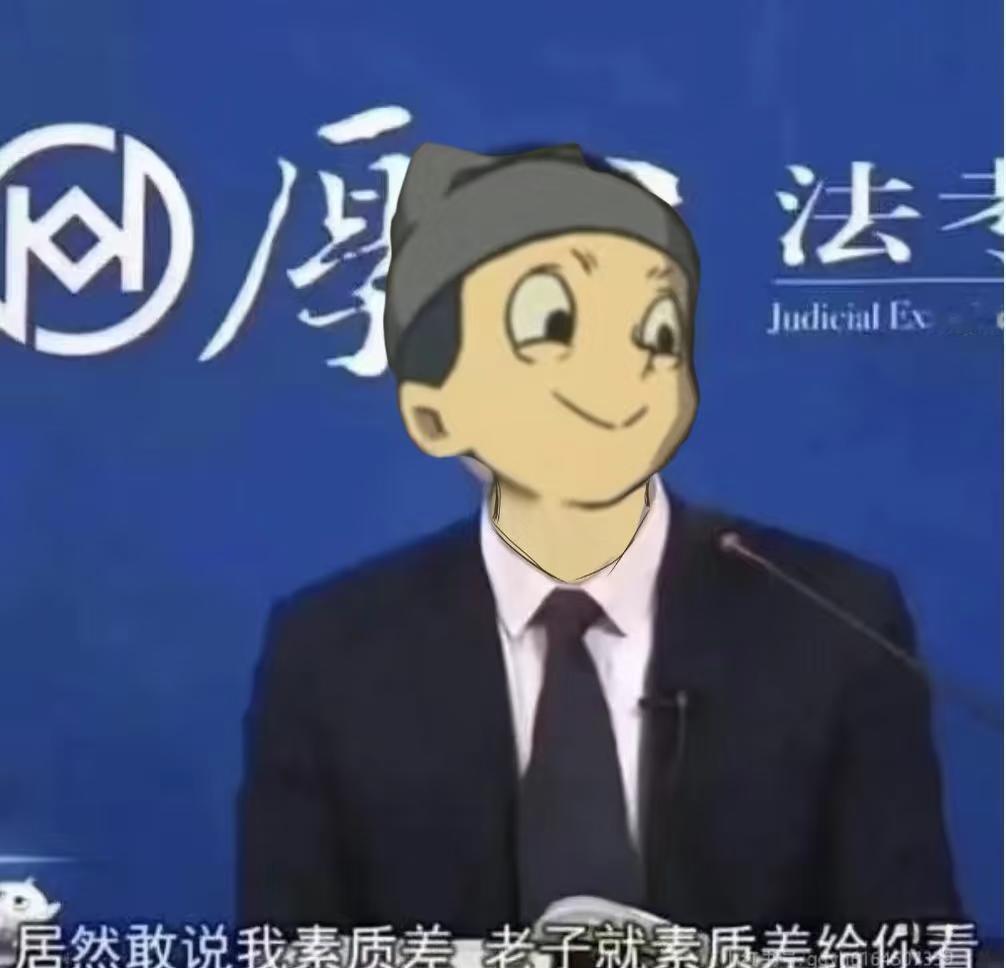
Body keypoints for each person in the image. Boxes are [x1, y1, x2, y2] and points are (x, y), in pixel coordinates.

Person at [237, 143, 961, 936]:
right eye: (550, 324)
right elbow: (289, 943)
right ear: (432, 414)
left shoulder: (835, 621)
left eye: (657, 332)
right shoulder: (333, 651)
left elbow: (912, 941)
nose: (623, 372)